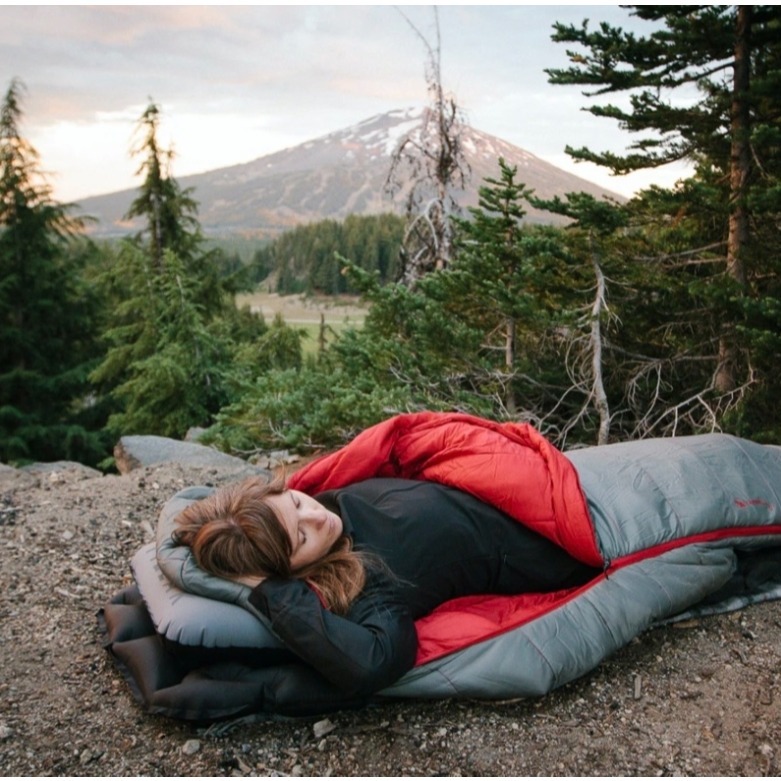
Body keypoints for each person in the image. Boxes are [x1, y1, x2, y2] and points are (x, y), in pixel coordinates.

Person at [174, 469, 602, 704]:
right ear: (289, 572)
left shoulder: (331, 501)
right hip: (564, 545)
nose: (317, 517)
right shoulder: (368, 578)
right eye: (301, 538)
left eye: (297, 503)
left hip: (533, 488)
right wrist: (269, 592)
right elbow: (375, 662)